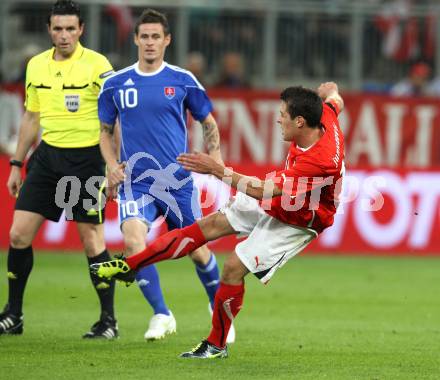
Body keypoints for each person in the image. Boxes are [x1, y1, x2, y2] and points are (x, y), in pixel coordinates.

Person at [92, 82, 345, 358]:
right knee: (208, 226)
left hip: (300, 218)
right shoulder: (326, 116)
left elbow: (261, 190)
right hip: (282, 195)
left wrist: (216, 169)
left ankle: (216, 345)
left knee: (233, 268)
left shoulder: (320, 161)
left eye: (283, 114)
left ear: (300, 121)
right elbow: (335, 99)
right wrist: (328, 92)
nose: (278, 118)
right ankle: (131, 265)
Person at [98, 9, 234, 343]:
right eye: (143, 36)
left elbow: (209, 122)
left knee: (198, 250)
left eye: (155, 36)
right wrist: (111, 165)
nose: (149, 42)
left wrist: (214, 157)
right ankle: (161, 313)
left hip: (177, 182)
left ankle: (218, 312)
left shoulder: (183, 79)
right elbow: (104, 130)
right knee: (133, 241)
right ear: (135, 39)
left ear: (167, 40)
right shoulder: (115, 83)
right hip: (136, 182)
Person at [0, 0, 118, 338]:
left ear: (81, 30)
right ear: (49, 30)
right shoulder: (35, 66)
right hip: (48, 157)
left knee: (91, 240)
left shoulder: (98, 66)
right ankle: (14, 314)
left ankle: (108, 320)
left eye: (70, 29)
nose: (64, 35)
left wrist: (113, 165)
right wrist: (16, 164)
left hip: (87, 160)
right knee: (18, 234)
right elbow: (31, 117)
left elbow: (114, 119)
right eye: (58, 29)